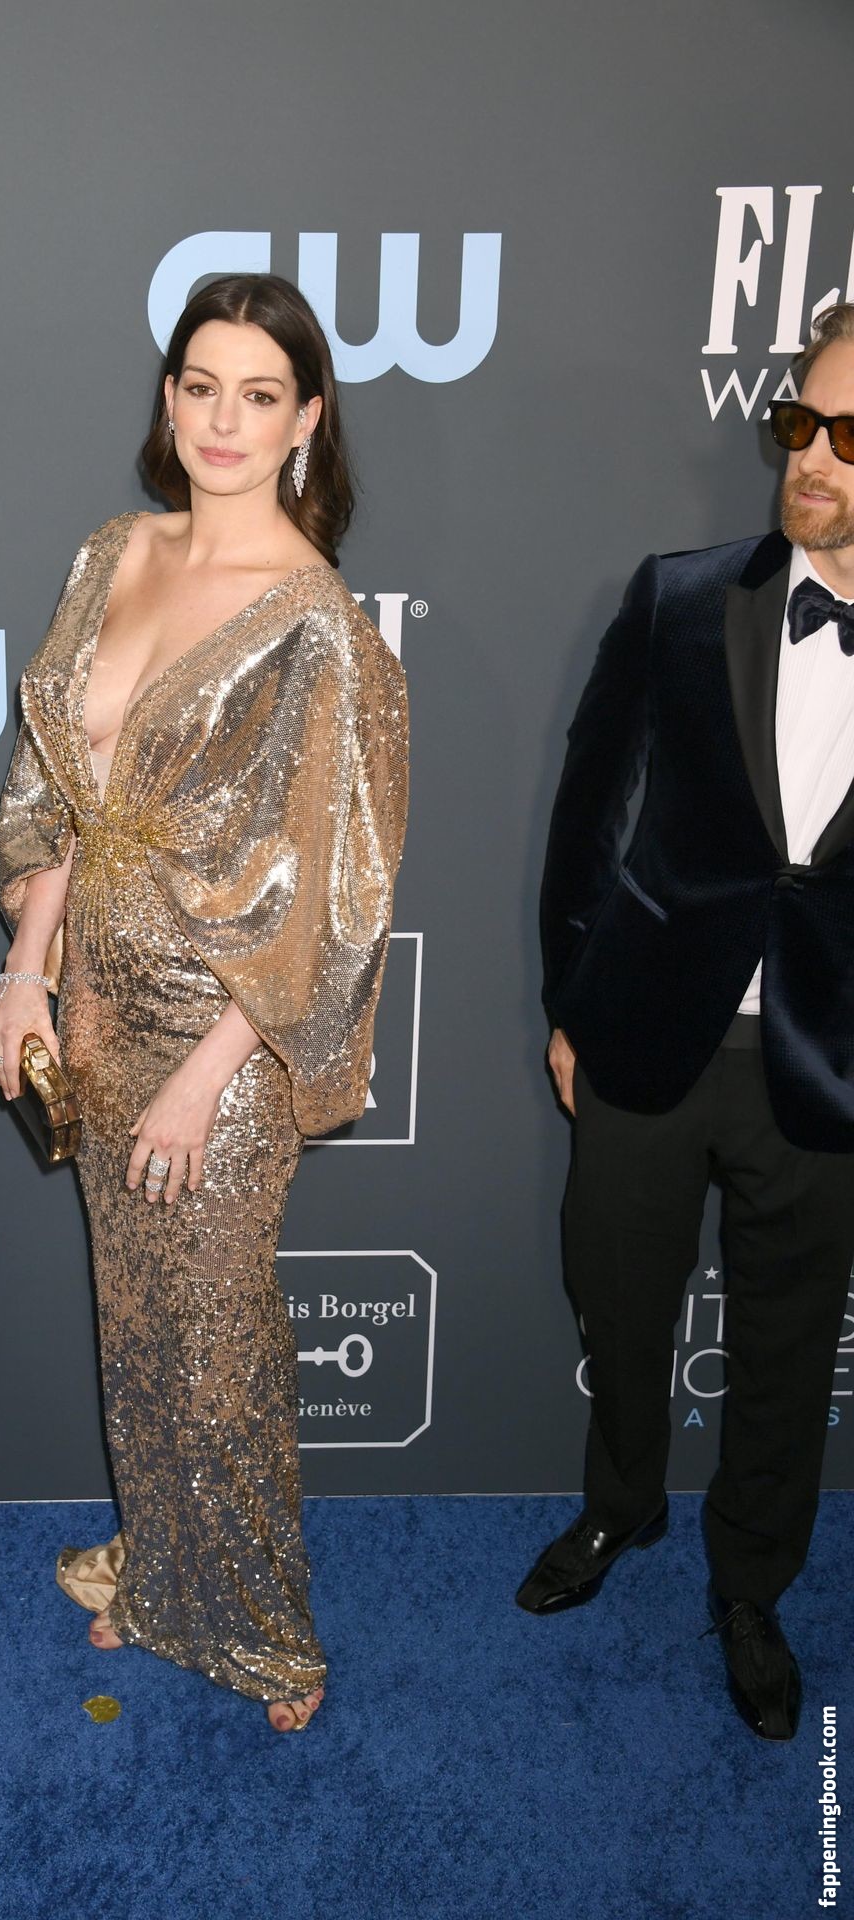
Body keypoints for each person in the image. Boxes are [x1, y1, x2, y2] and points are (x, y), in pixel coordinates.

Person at [0, 274, 409, 1733]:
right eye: (203, 387)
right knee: (137, 1322)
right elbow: (62, 791)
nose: (226, 421)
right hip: (93, 1004)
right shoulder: (115, 552)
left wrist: (211, 1071)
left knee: (216, 1343)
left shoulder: (319, 626)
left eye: (260, 395)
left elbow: (335, 897)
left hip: (222, 1034)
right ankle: (163, 1569)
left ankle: (271, 1637)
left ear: (307, 420)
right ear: (169, 401)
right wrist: (27, 971)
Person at [517, 303, 854, 1742]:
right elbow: (591, 813)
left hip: (828, 1061)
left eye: (851, 437)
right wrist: (572, 1004)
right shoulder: (680, 595)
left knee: (788, 1347)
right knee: (619, 1298)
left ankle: (752, 1586)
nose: (812, 459)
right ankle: (622, 1504)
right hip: (651, 1031)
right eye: (801, 423)